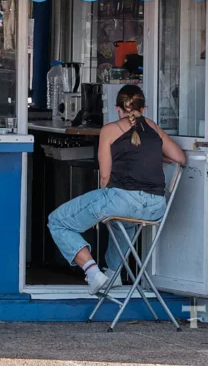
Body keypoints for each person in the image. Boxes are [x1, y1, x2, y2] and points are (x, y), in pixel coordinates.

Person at [47, 84, 186, 294]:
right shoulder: (152, 126)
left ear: (117, 108)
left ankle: (93, 273)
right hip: (156, 207)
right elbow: (180, 158)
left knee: (57, 221)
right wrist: (156, 155)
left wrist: (105, 200)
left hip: (123, 201)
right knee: (124, 221)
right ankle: (113, 273)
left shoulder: (110, 130)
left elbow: (105, 176)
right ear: (144, 108)